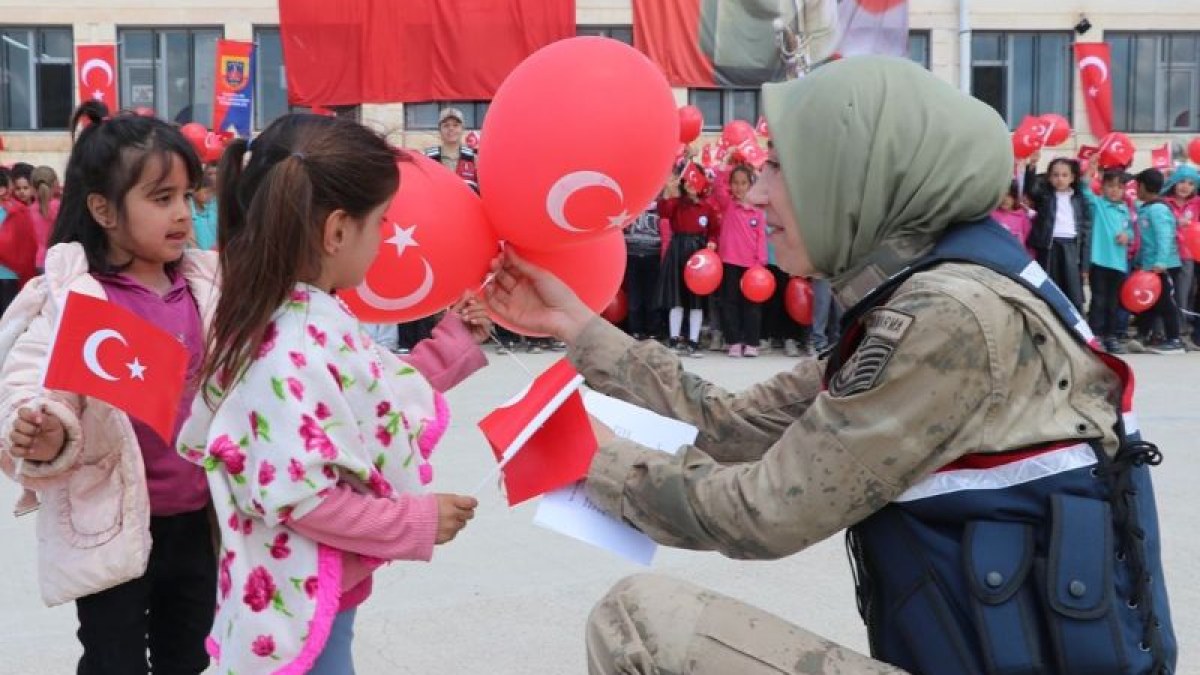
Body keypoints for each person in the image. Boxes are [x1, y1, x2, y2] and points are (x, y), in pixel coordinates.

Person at [485, 57, 1175, 674]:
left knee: (641, 623)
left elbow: (762, 511)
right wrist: (578, 328)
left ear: (855, 175)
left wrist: (598, 461)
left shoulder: (951, 316)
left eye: (782, 168)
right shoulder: (936, 289)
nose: (758, 195)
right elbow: (732, 424)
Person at [178, 113, 478, 674]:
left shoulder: (298, 315)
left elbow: (365, 400)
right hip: (300, 599)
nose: (384, 238)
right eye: (381, 222)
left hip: (321, 585)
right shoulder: (288, 341)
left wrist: (456, 341)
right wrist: (413, 521)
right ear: (337, 231)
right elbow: (304, 498)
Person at [0, 102, 219, 673]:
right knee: (112, 660)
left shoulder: (206, 287)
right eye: (160, 198)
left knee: (190, 656)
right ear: (103, 210)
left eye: (186, 196)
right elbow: (30, 380)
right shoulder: (74, 297)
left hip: (196, 518)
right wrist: (43, 428)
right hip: (109, 524)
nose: (182, 213)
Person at [656, 165, 719, 357]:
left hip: (698, 254)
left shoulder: (707, 208)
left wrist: (712, 242)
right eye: (689, 180)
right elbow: (663, 212)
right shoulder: (676, 204)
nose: (692, 184)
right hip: (678, 251)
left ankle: (693, 341)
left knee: (696, 300)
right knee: (677, 299)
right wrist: (668, 191)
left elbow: (714, 231)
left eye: (696, 179)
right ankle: (674, 340)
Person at [711, 163, 768, 357]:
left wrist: (760, 264)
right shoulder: (728, 205)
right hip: (729, 262)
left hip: (752, 266)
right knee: (730, 303)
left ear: (751, 185)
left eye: (743, 183)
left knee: (752, 305)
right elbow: (718, 187)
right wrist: (726, 162)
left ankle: (752, 342)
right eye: (735, 183)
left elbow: (761, 237)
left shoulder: (757, 212)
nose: (739, 187)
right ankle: (733, 341)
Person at [1025, 156, 1092, 310]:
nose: (1060, 179)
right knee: (1049, 287)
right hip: (1049, 246)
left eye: (1064, 175)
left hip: (1071, 247)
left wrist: (1085, 264)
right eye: (1055, 175)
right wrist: (1031, 167)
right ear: (1049, 177)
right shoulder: (1045, 196)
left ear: (1072, 178)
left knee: (1072, 289)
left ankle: (1074, 321)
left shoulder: (1079, 199)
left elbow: (1086, 231)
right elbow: (1030, 190)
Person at [1081, 168, 1135, 354]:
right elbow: (1085, 190)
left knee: (1113, 302)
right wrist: (1089, 170)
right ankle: (1095, 334)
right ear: (1102, 187)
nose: (1114, 190)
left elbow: (1131, 231)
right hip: (1099, 261)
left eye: (1119, 187)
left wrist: (1127, 236)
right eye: (1110, 186)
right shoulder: (1098, 205)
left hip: (1118, 264)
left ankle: (1110, 336)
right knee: (1099, 300)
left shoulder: (1125, 209)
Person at [1132, 168, 1185, 355]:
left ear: (1143, 186)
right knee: (1149, 302)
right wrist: (1139, 261)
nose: (1135, 190)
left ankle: (1174, 340)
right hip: (1150, 266)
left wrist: (1162, 261)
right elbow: (1146, 241)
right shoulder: (1146, 208)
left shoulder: (1158, 209)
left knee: (1165, 303)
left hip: (1164, 266)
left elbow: (1165, 236)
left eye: (1137, 186)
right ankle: (1142, 336)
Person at [1160, 164, 1200, 344]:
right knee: (1166, 294)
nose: (1185, 186)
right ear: (1174, 182)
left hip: (1188, 255)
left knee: (1184, 294)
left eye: (1191, 183)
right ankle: (1163, 331)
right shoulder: (1164, 202)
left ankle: (1182, 332)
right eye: (1182, 181)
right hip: (1168, 255)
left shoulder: (1197, 203)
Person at [622, 201, 663, 340]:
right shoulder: (630, 203)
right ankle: (635, 329)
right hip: (632, 254)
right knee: (634, 295)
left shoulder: (660, 206)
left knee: (652, 295)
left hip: (653, 254)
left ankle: (653, 330)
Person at [27, 166, 61, 271]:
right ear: (55, 184)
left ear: (32, 187)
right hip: (58, 258)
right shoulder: (61, 207)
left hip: (38, 261)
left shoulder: (28, 211)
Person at [991, 178, 1033, 253]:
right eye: (1002, 195)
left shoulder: (1022, 217)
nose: (1005, 199)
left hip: (1015, 255)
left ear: (1015, 197)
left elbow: (1027, 239)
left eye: (1009, 195)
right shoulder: (991, 215)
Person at [189, 164, 218, 250]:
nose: (209, 196)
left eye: (210, 193)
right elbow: (191, 241)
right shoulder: (189, 212)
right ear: (194, 192)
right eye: (206, 193)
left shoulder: (212, 209)